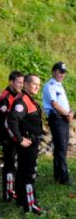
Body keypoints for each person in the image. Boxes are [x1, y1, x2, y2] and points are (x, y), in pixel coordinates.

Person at [6, 74, 44, 214]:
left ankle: (22, 200)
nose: (37, 87)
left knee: (22, 172)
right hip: (27, 143)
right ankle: (31, 205)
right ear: (26, 84)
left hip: (29, 142)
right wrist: (20, 139)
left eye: (39, 85)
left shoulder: (27, 99)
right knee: (29, 174)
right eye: (34, 84)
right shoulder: (22, 101)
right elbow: (11, 120)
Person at [43, 62, 73, 185]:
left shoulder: (59, 86)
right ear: (54, 71)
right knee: (61, 147)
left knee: (63, 147)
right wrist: (67, 114)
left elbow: (64, 103)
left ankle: (58, 175)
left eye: (63, 72)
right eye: (60, 72)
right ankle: (63, 177)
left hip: (63, 118)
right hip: (57, 118)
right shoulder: (50, 85)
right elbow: (54, 104)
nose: (62, 74)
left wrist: (70, 113)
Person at [0, 71, 24, 202]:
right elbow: (5, 122)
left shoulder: (17, 94)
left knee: (14, 165)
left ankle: (14, 190)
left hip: (15, 136)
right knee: (9, 165)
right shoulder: (5, 98)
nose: (21, 85)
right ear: (11, 82)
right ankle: (8, 194)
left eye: (22, 82)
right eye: (19, 82)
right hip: (9, 137)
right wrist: (15, 138)